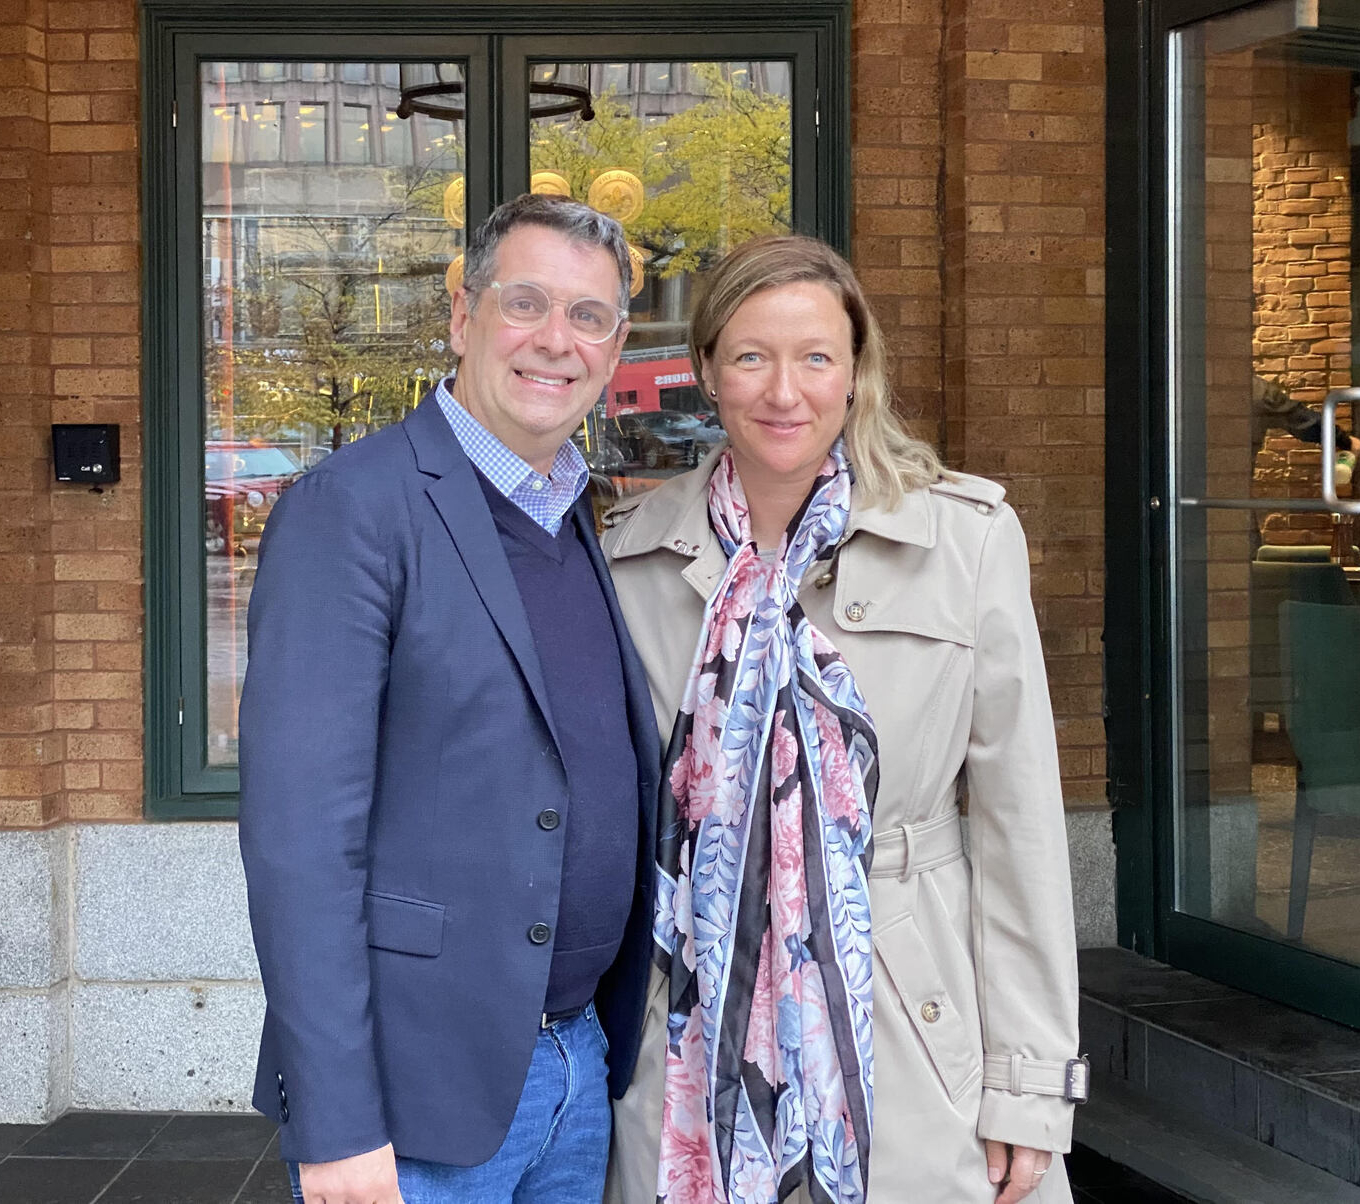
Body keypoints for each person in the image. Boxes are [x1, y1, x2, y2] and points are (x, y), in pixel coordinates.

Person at [601, 235, 1083, 1204]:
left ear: (855, 369)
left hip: (909, 1019)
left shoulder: (963, 539)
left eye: (815, 356)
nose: (785, 391)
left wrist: (1026, 1086)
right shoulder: (628, 559)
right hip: (688, 1037)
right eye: (750, 356)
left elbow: (1016, 823)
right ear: (705, 370)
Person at [237, 193, 660, 1204]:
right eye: (525, 303)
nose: (554, 340)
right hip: (417, 1098)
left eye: (587, 316)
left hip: (578, 1066)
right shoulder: (352, 509)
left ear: (615, 345)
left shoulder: (578, 517)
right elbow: (300, 844)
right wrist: (337, 1122)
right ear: (462, 314)